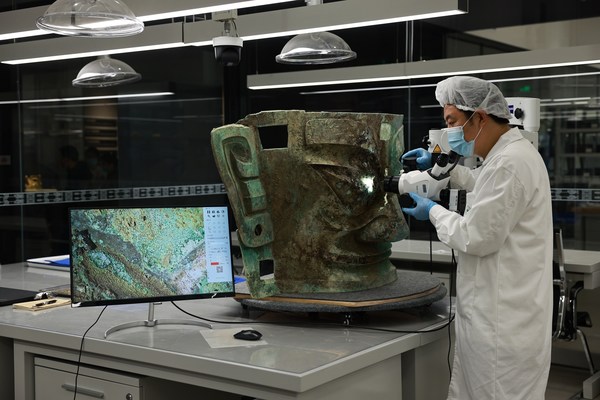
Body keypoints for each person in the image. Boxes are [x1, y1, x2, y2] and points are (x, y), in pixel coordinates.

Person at [402, 76, 553, 399]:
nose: (451, 133)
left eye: (453, 123)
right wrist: (444, 168)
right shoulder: (507, 157)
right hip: (500, 315)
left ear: (480, 117)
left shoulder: (510, 164)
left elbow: (476, 236)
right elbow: (483, 185)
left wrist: (431, 211)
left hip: (503, 324)